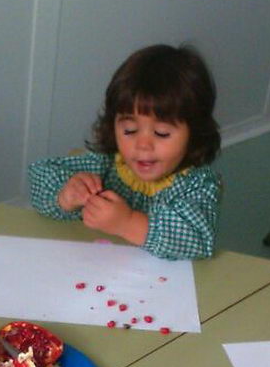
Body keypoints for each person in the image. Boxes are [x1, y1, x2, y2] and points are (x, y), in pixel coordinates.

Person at [27, 44, 222, 260]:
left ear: (195, 133)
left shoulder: (197, 185)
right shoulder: (108, 164)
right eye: (129, 130)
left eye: (161, 133)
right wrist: (66, 195)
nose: (142, 145)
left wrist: (127, 223)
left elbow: (198, 242)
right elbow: (39, 176)